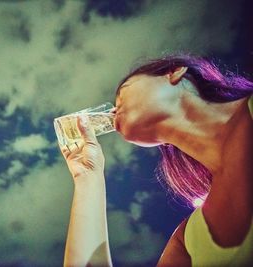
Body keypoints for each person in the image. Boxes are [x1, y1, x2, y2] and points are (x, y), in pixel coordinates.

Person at [59, 54, 253, 266]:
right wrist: (88, 176)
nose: (113, 111)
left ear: (174, 73)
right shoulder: (188, 239)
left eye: (122, 93)